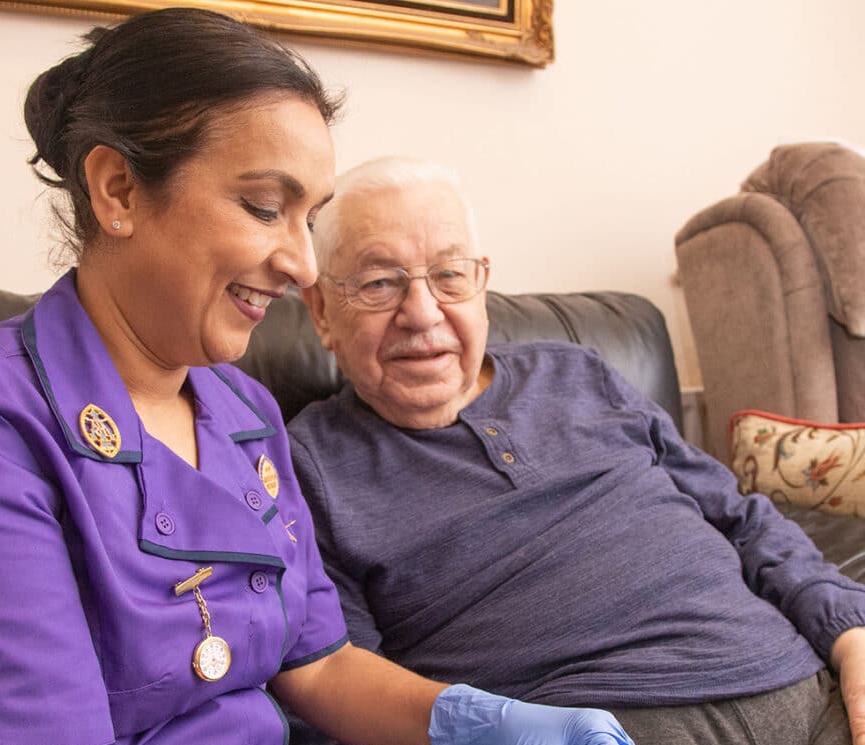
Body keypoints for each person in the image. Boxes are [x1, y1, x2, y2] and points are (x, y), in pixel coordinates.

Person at [0, 10, 635, 745]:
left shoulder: (243, 410)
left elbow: (319, 663)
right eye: (264, 207)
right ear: (117, 189)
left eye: (309, 216)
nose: (303, 263)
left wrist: (474, 722)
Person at [287, 155, 865, 745]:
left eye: (449, 274)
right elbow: (338, 694)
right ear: (322, 309)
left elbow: (741, 517)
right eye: (380, 282)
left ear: (482, 280)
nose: (423, 312)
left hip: (809, 688)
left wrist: (850, 632)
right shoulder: (305, 466)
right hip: (605, 728)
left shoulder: (576, 371)